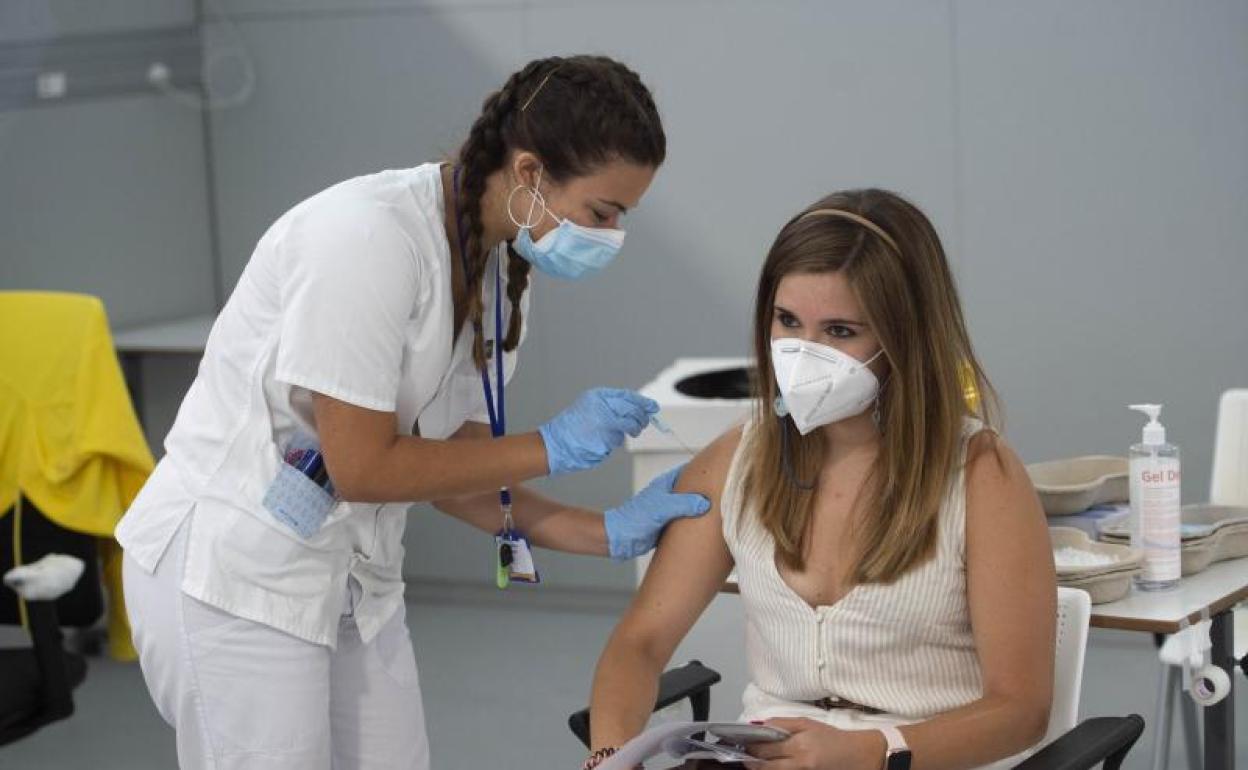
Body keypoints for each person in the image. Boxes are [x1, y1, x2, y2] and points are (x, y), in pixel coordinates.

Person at [115, 55, 709, 770]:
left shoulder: (500, 264)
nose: (612, 234)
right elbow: (363, 466)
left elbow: (458, 474)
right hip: (235, 571)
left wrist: (607, 532)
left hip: (353, 576)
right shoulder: (367, 240)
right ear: (529, 174)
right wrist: (550, 444)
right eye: (603, 212)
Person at [583, 189, 1057, 770]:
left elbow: (1020, 709)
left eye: (839, 331)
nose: (803, 354)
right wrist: (610, 757)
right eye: (787, 321)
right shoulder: (740, 459)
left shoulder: (983, 477)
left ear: (904, 339)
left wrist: (866, 753)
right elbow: (640, 644)